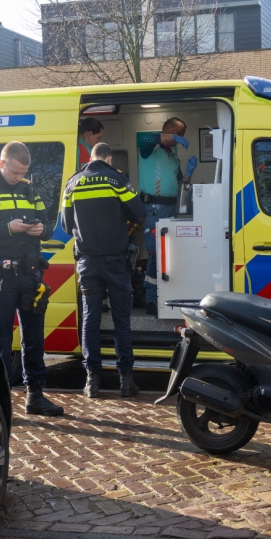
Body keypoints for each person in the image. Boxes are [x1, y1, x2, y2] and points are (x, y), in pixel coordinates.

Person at [0, 141, 64, 417]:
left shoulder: (29, 189)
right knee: (0, 342)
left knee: (34, 339)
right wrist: (8, 228)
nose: (19, 177)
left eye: (23, 173)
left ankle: (36, 396)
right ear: (2, 163)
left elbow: (48, 225)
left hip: (29, 274)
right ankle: (1, 404)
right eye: (15, 172)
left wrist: (42, 229)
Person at [61, 142, 146, 399]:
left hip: (87, 262)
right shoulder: (116, 180)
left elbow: (66, 226)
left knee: (90, 321)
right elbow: (139, 212)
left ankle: (92, 382)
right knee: (121, 320)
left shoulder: (73, 183)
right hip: (115, 262)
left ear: (91, 157)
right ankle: (126, 381)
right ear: (109, 159)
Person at [137, 117, 197, 315]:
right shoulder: (149, 152)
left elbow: (182, 184)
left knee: (170, 255)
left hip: (171, 209)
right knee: (156, 254)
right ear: (168, 129)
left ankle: (166, 296)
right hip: (153, 208)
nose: (180, 138)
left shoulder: (173, 159)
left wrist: (189, 172)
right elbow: (145, 140)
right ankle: (151, 299)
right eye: (178, 134)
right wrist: (171, 138)